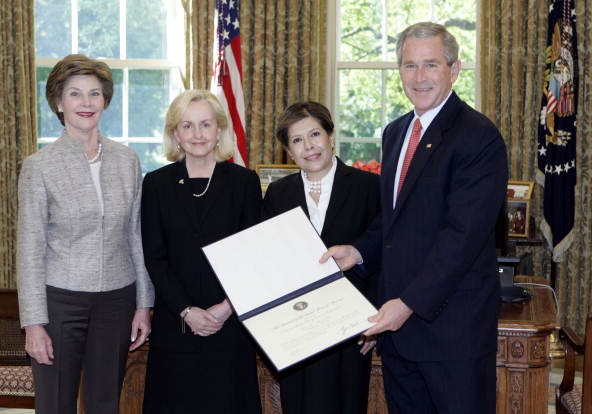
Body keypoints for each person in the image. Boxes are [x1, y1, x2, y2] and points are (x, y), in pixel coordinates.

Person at [322, 22, 508, 413]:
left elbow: (462, 239)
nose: (419, 77)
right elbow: (394, 225)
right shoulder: (396, 132)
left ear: (454, 70)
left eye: (431, 65)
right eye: (409, 66)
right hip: (399, 335)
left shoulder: (478, 136)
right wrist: (357, 251)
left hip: (451, 333)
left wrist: (406, 304)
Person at [16, 54, 154, 414]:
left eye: (94, 94)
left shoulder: (128, 160)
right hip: (60, 303)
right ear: (59, 103)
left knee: (106, 402)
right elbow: (29, 249)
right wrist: (33, 322)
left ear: (105, 100)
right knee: (55, 404)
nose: (87, 103)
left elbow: (136, 235)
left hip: (117, 301)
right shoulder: (39, 166)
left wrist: (143, 304)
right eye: (75, 94)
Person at [141, 90, 262, 413]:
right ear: (175, 134)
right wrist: (186, 310)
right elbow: (154, 256)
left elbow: (255, 254)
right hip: (176, 325)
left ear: (219, 130)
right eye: (188, 126)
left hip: (230, 325)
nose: (197, 134)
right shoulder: (155, 184)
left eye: (205, 125)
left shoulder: (244, 182)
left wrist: (226, 307)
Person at [263, 101, 380, 414]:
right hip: (296, 331)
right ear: (288, 150)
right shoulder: (277, 194)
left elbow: (385, 255)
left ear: (331, 136)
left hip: (352, 331)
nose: (309, 146)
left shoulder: (369, 187)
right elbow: (271, 263)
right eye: (297, 140)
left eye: (315, 134)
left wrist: (375, 318)